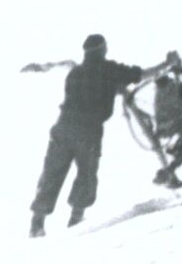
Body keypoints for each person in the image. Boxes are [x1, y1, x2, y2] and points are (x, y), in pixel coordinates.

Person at [31, 34, 168, 236]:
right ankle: (76, 220)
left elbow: (91, 88)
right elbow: (141, 74)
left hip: (63, 126)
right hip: (88, 130)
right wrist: (167, 64)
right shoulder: (109, 69)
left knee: (52, 172)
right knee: (86, 173)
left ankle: (37, 224)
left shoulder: (76, 73)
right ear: (103, 50)